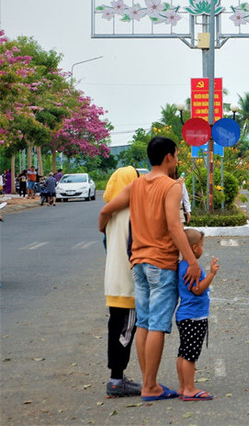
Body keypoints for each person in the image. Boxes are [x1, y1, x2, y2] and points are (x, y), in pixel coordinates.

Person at [98, 136, 201, 402]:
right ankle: (150, 387)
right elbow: (174, 226)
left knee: (143, 323)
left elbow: (106, 210)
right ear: (168, 157)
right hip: (161, 263)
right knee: (157, 325)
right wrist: (191, 260)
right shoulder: (171, 186)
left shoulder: (136, 184)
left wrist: (102, 228)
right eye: (176, 155)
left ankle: (148, 384)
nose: (176, 160)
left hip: (139, 264)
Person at [101, 166, 142, 397]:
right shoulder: (133, 213)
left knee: (116, 328)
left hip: (112, 283)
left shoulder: (110, 215)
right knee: (124, 333)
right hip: (128, 285)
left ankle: (116, 378)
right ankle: (116, 380)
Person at [176, 229, 219, 401]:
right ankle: (189, 388)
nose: (202, 249)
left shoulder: (182, 265)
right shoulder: (192, 268)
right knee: (190, 355)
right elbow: (198, 289)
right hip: (194, 317)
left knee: (183, 352)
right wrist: (211, 273)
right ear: (194, 248)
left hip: (185, 316)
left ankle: (182, 386)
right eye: (202, 245)